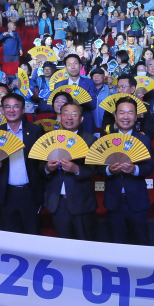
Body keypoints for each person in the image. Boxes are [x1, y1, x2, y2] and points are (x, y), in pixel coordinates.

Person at [38, 102, 98, 240]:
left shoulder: (90, 140)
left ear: (81, 119)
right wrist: (47, 168)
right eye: (65, 113)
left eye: (74, 114)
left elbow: (94, 169)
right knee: (63, 243)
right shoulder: (50, 139)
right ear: (60, 117)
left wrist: (76, 169)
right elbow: (40, 167)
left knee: (85, 242)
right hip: (57, 202)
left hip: (82, 202)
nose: (69, 117)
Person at [97, 97, 154, 245]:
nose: (126, 117)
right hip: (113, 201)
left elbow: (149, 168)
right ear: (115, 116)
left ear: (136, 117)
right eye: (122, 112)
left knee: (142, 242)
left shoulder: (144, 140)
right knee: (117, 243)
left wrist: (134, 169)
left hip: (138, 201)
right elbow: (98, 168)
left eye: (130, 113)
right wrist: (109, 170)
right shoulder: (106, 141)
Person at [0, 94, 44, 235]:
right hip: (7, 193)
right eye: (7, 106)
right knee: (11, 236)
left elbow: (42, 162)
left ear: (23, 109)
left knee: (33, 234)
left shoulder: (35, 130)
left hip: (30, 191)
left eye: (16, 106)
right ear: (2, 110)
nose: (11, 110)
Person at [101, 75, 154, 141]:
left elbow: (149, 133)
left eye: (122, 87)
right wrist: (115, 126)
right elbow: (104, 131)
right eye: (117, 87)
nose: (119, 90)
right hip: (115, 142)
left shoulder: (144, 107)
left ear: (132, 89)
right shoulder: (110, 106)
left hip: (136, 142)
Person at [54, 54, 97, 134]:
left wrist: (81, 99)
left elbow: (93, 105)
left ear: (80, 66)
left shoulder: (89, 83)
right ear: (65, 68)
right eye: (69, 65)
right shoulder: (59, 85)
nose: (73, 67)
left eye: (75, 63)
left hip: (85, 122)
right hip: (66, 122)